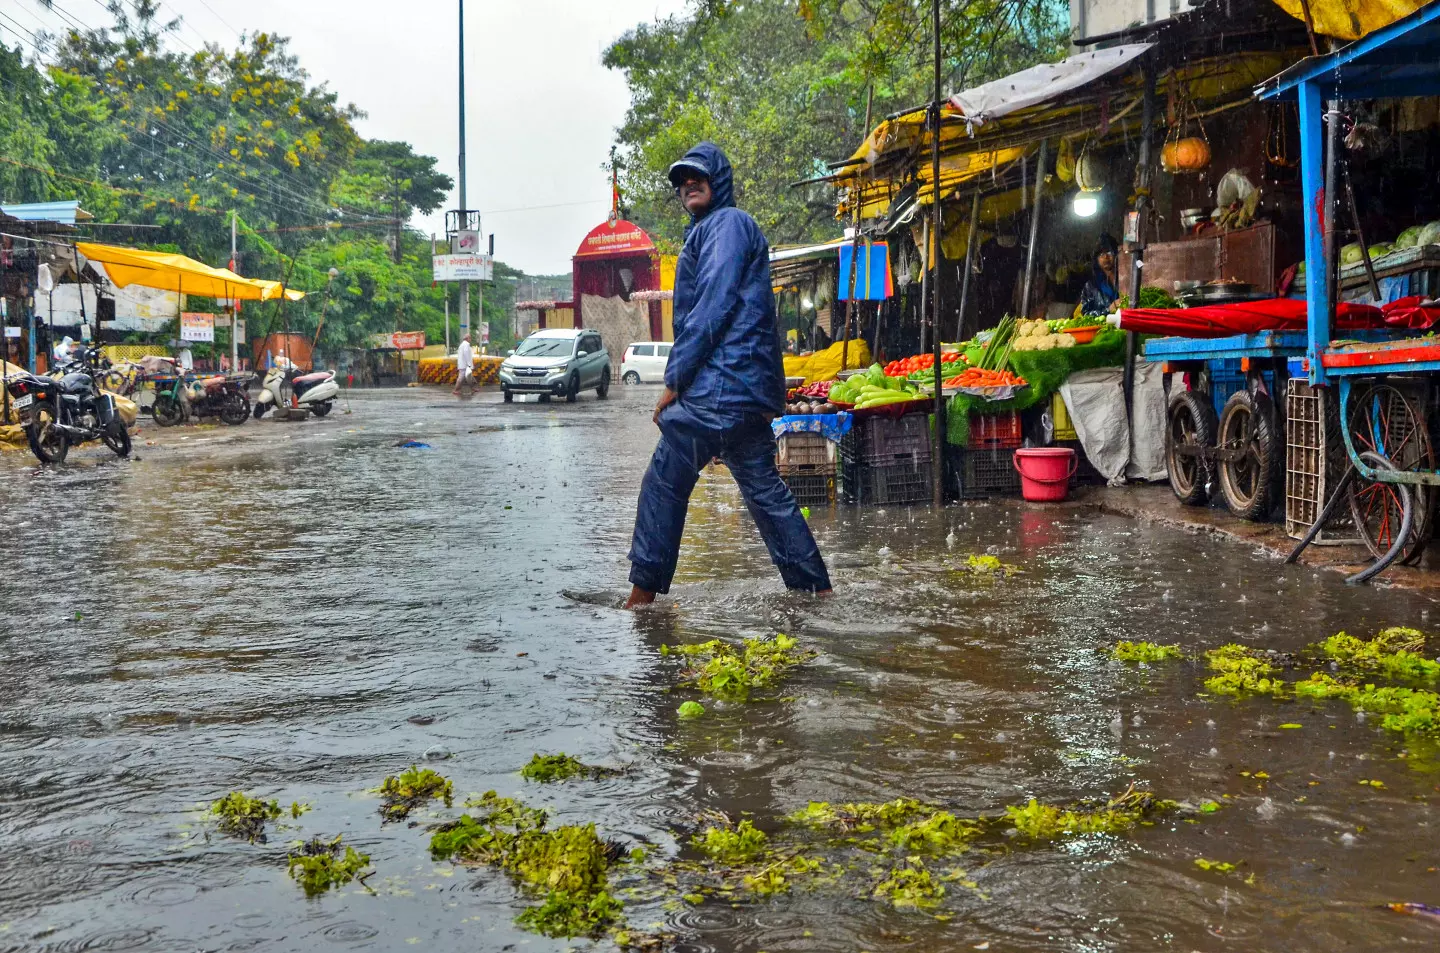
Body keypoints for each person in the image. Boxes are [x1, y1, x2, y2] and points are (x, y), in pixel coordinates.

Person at [624, 142, 832, 608]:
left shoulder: (728, 224)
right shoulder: (713, 229)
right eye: (681, 182)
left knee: (664, 479)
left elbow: (712, 306)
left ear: (719, 181)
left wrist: (674, 382)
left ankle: (640, 605)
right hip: (739, 391)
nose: (687, 185)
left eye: (697, 176)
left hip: (723, 386)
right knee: (765, 492)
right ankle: (817, 593)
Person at [1079, 234, 1121, 317]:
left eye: (1109, 252)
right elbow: (1085, 314)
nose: (1106, 257)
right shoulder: (1091, 286)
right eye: (1101, 254)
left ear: (1116, 254)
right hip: (1102, 329)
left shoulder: (1127, 280)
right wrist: (1108, 310)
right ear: (1097, 259)